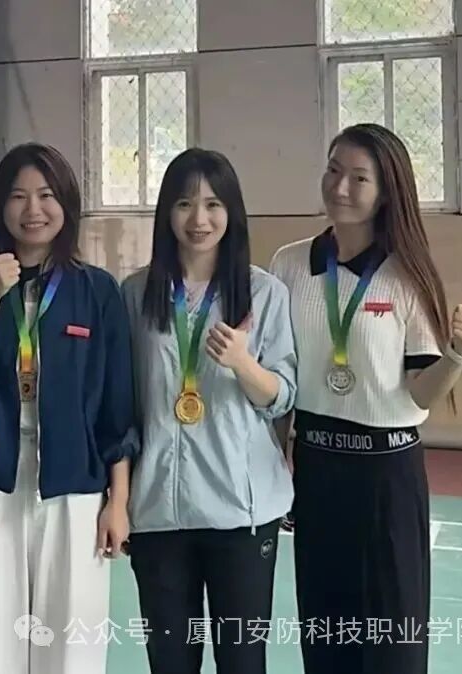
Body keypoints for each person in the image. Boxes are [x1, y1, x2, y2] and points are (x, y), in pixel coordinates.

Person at [268, 123, 462, 674]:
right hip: (316, 471)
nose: (339, 186)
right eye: (333, 170)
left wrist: (458, 352)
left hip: (388, 476)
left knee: (393, 643)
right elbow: (280, 378)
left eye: (358, 178)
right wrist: (274, 462)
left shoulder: (408, 274)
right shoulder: (288, 265)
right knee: (327, 637)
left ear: (387, 191)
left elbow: (422, 389)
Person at [0, 142, 137, 674]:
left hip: (73, 489)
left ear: (66, 205)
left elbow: (117, 408)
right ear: (1, 207)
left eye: (46, 195)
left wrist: (118, 503)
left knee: (69, 649)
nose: (33, 209)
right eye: (18, 196)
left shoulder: (97, 292)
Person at [121, 148, 297, 674]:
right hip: (158, 510)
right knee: (170, 662)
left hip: (241, 514)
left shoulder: (264, 292)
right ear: (166, 213)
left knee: (242, 661)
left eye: (213, 204)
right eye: (184, 204)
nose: (199, 219)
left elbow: (282, 396)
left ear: (232, 212)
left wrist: (244, 364)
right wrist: (119, 498)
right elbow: (123, 402)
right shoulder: (136, 293)